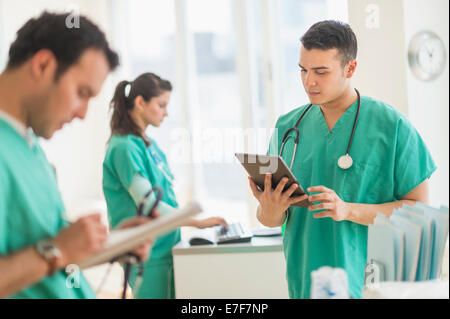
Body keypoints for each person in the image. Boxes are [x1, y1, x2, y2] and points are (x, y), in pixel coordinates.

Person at [248, 20, 436, 299]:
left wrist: (348, 210)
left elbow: (419, 214)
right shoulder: (288, 127)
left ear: (350, 68)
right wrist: (271, 209)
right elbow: (270, 219)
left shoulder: (391, 126)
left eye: (321, 72)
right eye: (303, 70)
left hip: (370, 283)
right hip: (305, 281)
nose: (309, 81)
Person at [0, 12, 154, 299]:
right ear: (43, 64)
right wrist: (58, 250)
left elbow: (42, 250)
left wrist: (110, 244)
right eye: (82, 93)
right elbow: (52, 252)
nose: (83, 113)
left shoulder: (27, 144)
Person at [103, 72, 227, 299]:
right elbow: (149, 202)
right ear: (140, 103)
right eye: (161, 105)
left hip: (167, 247)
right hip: (148, 254)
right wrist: (195, 222)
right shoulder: (124, 147)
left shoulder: (148, 145)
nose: (166, 113)